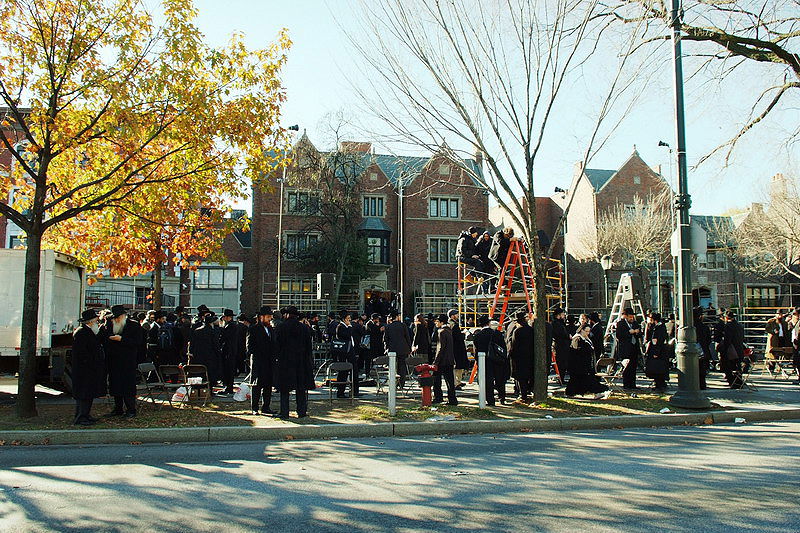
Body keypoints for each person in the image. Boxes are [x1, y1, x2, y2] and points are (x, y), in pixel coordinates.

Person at [274, 306, 315, 419]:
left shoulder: (281, 327)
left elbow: (276, 345)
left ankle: (284, 412)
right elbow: (308, 347)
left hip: (285, 361)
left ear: (287, 315)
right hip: (301, 362)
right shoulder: (304, 328)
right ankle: (301, 411)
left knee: (284, 389)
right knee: (301, 388)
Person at [104, 305, 143, 418]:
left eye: (118, 317)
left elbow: (138, 342)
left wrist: (122, 339)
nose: (116, 320)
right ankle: (118, 408)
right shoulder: (110, 325)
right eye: (114, 318)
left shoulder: (134, 326)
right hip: (114, 361)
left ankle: (131, 409)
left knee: (128, 387)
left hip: (128, 362)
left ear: (123, 316)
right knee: (115, 386)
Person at [71, 309, 107, 425]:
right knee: (84, 394)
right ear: (90, 322)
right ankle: (81, 417)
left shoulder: (88, 331)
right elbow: (81, 353)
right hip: (84, 370)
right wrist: (91, 362)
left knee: (88, 393)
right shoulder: (82, 333)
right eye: (96, 321)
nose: (97, 323)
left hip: (88, 369)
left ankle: (85, 414)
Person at [565, 323, 609, 398]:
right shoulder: (577, 338)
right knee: (577, 380)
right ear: (581, 330)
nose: (587, 333)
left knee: (585, 380)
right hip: (579, 364)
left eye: (589, 331)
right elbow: (575, 352)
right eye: (586, 331)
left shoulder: (586, 339)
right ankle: (571, 393)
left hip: (587, 363)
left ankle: (595, 392)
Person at [472, 315, 508, 406]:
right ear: (489, 323)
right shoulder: (497, 333)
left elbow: (476, 350)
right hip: (497, 359)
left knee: (487, 381)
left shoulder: (478, 335)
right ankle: (502, 397)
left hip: (484, 360)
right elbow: (503, 347)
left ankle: (490, 400)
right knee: (500, 379)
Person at [248, 306, 276, 415]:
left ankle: (266, 406)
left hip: (269, 362)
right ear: (261, 317)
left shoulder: (270, 329)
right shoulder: (254, 329)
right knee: (257, 386)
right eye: (268, 317)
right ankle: (254, 407)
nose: (270, 319)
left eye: (270, 317)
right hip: (259, 362)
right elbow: (250, 347)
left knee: (268, 386)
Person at [506, 310, 534, 401]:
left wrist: (511, 355)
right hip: (530, 356)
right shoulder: (531, 330)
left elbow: (514, 345)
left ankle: (523, 395)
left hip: (519, 357)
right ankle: (529, 391)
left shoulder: (517, 331)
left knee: (521, 377)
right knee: (529, 375)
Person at [189, 314, 222, 385]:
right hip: (210, 356)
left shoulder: (197, 331)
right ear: (211, 323)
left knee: (200, 374)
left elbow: (192, 343)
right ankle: (209, 390)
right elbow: (215, 344)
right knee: (210, 375)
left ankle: (199, 389)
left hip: (198, 356)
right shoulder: (212, 332)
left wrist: (192, 352)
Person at [613, 307, 642, 390]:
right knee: (627, 367)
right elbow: (619, 336)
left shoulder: (635, 323)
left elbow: (640, 334)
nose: (631, 318)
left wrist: (637, 332)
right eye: (629, 316)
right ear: (625, 316)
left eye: (632, 316)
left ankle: (633, 384)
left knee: (633, 367)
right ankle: (626, 384)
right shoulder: (620, 324)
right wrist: (629, 333)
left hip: (634, 348)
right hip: (625, 349)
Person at [432, 314, 457, 405]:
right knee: (450, 381)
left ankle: (438, 397)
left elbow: (440, 348)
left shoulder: (441, 331)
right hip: (449, 359)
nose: (435, 323)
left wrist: (436, 361)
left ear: (441, 322)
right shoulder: (449, 331)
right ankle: (452, 399)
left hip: (442, 360)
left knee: (436, 380)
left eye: (437, 321)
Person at [384, 310, 413, 387]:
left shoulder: (388, 327)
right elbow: (407, 337)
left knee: (393, 367)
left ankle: (394, 383)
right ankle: (402, 383)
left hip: (392, 349)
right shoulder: (403, 325)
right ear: (397, 317)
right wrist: (409, 348)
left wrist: (386, 348)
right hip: (403, 348)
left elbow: (385, 339)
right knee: (402, 366)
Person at [335, 312, 360, 398]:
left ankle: (355, 390)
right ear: (344, 319)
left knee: (354, 370)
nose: (349, 320)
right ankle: (340, 391)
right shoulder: (341, 327)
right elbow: (347, 335)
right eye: (348, 318)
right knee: (343, 371)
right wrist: (349, 326)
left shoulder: (345, 327)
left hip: (350, 351)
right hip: (344, 352)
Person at [644, 312, 669, 393]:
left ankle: (660, 384)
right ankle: (659, 383)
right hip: (657, 350)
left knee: (658, 368)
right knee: (656, 369)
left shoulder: (659, 327)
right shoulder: (656, 326)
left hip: (658, 351)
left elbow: (658, 341)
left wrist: (656, 352)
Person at [720, 311, 745, 388]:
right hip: (739, 349)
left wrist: (723, 348)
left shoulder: (728, 326)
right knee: (738, 367)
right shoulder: (740, 325)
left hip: (731, 350)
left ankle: (733, 382)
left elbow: (728, 340)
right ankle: (739, 381)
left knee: (730, 367)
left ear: (726, 317)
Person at [218, 309, 239, 395]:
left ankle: (228, 387)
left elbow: (224, 337)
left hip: (229, 351)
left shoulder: (230, 327)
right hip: (231, 350)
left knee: (228, 370)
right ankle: (228, 386)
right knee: (228, 370)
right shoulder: (233, 326)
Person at [448, 309, 469, 389]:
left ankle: (457, 382)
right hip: (457, 348)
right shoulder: (454, 325)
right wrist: (463, 334)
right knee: (457, 366)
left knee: (457, 366)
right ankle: (456, 382)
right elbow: (457, 336)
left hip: (453, 347)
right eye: (456, 314)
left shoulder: (450, 324)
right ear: (452, 315)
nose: (458, 316)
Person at [551, 308, 571, 384]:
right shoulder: (557, 324)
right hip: (560, 346)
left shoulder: (560, 323)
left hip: (562, 345)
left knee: (563, 363)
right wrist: (567, 336)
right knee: (561, 363)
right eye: (562, 314)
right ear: (558, 315)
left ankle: (561, 378)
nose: (564, 316)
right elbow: (561, 334)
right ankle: (560, 378)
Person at [693, 307, 711, 390]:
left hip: (695, 351)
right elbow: (708, 340)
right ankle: (702, 384)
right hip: (702, 351)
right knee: (702, 370)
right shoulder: (704, 327)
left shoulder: (691, 328)